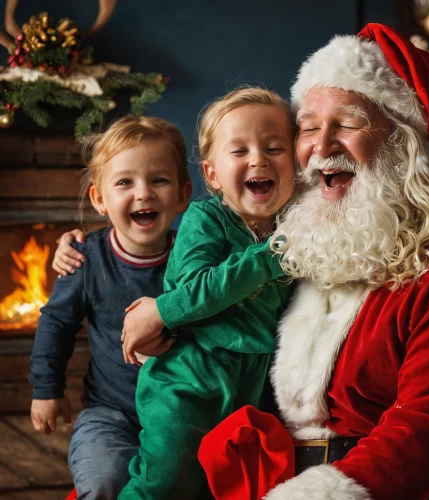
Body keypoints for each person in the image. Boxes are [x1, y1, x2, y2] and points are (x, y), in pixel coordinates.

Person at [260, 23, 429, 499]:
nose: (321, 146)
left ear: (406, 145)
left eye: (347, 124)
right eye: (308, 127)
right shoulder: (297, 241)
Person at [54, 88, 298, 498]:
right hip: (187, 381)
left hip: (252, 382)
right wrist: (271, 255)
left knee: (219, 486)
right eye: (239, 151)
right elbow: (194, 288)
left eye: (274, 147)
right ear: (212, 175)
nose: (258, 159)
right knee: (162, 483)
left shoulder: (296, 224)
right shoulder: (208, 219)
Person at [29, 116, 192, 499]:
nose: (143, 193)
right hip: (110, 413)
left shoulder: (195, 256)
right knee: (104, 479)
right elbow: (56, 323)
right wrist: (46, 388)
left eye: (159, 180)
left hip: (181, 412)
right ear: (99, 199)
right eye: (124, 182)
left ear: (184, 194)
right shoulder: (84, 260)